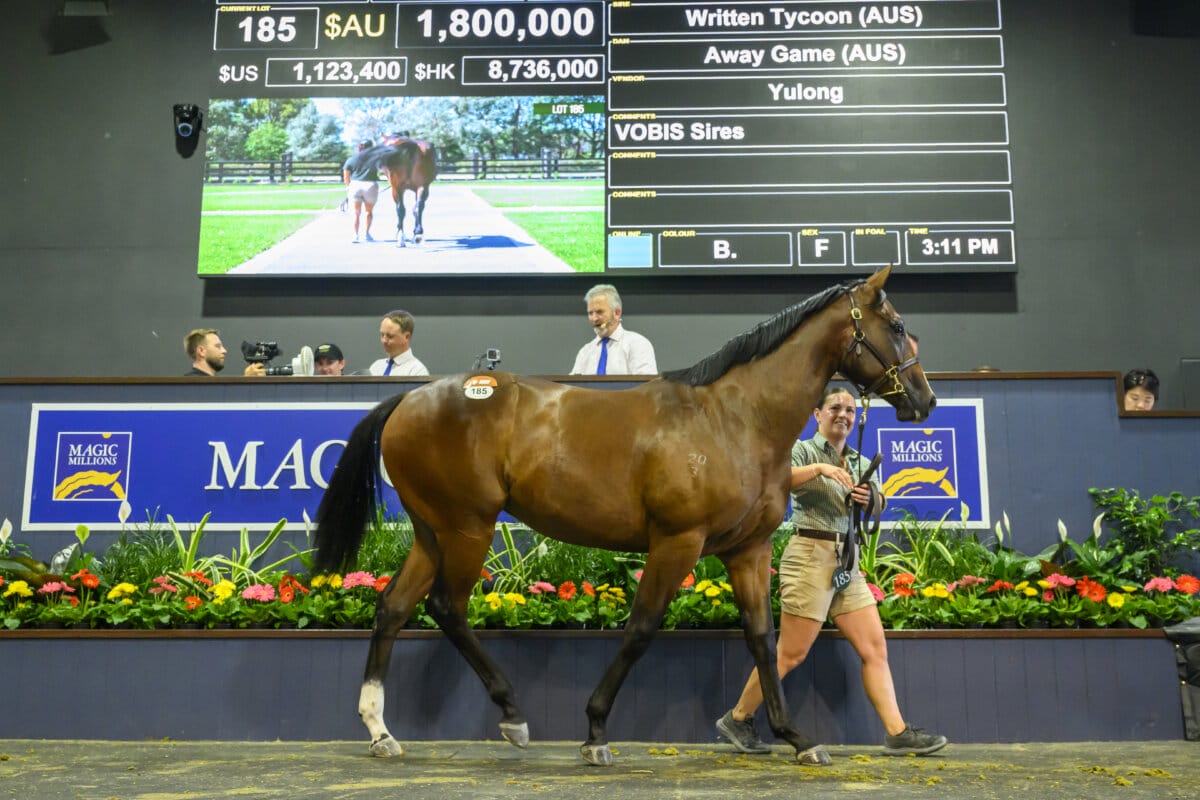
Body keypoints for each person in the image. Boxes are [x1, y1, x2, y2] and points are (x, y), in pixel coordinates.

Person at [715, 385, 947, 761]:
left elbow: (880, 501)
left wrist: (872, 499)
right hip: (809, 555)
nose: (844, 415)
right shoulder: (801, 450)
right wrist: (821, 468)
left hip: (846, 561)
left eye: (850, 410)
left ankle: (898, 733)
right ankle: (738, 718)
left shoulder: (856, 460)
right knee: (791, 653)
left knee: (874, 649)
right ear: (817, 414)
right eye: (835, 407)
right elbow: (776, 481)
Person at [568, 284, 657, 375]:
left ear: (617, 313)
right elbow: (572, 386)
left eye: (599, 312)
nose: (594, 319)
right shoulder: (585, 352)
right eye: (590, 313)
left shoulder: (637, 344)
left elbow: (647, 386)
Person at [368, 310, 429, 376]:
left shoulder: (417, 371)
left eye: (390, 336)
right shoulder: (376, 367)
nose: (384, 341)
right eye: (382, 335)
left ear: (407, 337)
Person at [183, 329, 264, 377]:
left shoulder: (210, 384)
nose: (224, 351)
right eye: (218, 346)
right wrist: (247, 380)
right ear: (201, 351)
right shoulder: (191, 385)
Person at [342, 139, 379, 244]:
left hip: (355, 185)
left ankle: (355, 235)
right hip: (370, 185)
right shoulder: (375, 159)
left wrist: (348, 187)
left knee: (356, 213)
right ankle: (367, 234)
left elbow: (346, 176)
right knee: (369, 212)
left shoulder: (351, 159)